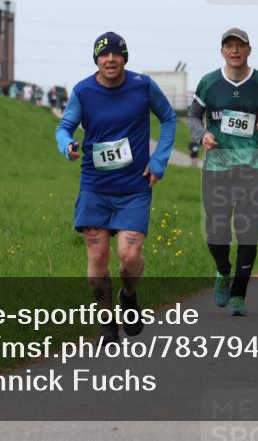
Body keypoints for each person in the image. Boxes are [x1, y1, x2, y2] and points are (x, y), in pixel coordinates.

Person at [55, 32, 177, 344]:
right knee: (97, 259)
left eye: (116, 54)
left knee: (129, 257)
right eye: (104, 54)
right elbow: (64, 127)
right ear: (96, 60)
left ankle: (129, 295)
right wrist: (67, 145)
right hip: (95, 187)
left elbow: (168, 118)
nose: (110, 59)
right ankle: (107, 323)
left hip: (134, 187)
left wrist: (159, 160)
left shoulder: (143, 86)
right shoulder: (83, 91)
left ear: (124, 57)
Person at [187, 28, 258, 316]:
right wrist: (202, 134)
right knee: (215, 232)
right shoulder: (209, 82)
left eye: (239, 46)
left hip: (253, 169)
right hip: (217, 169)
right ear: (222, 51)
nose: (234, 51)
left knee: (247, 233)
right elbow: (193, 115)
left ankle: (239, 295)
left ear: (248, 50)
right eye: (229, 46)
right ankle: (223, 270)